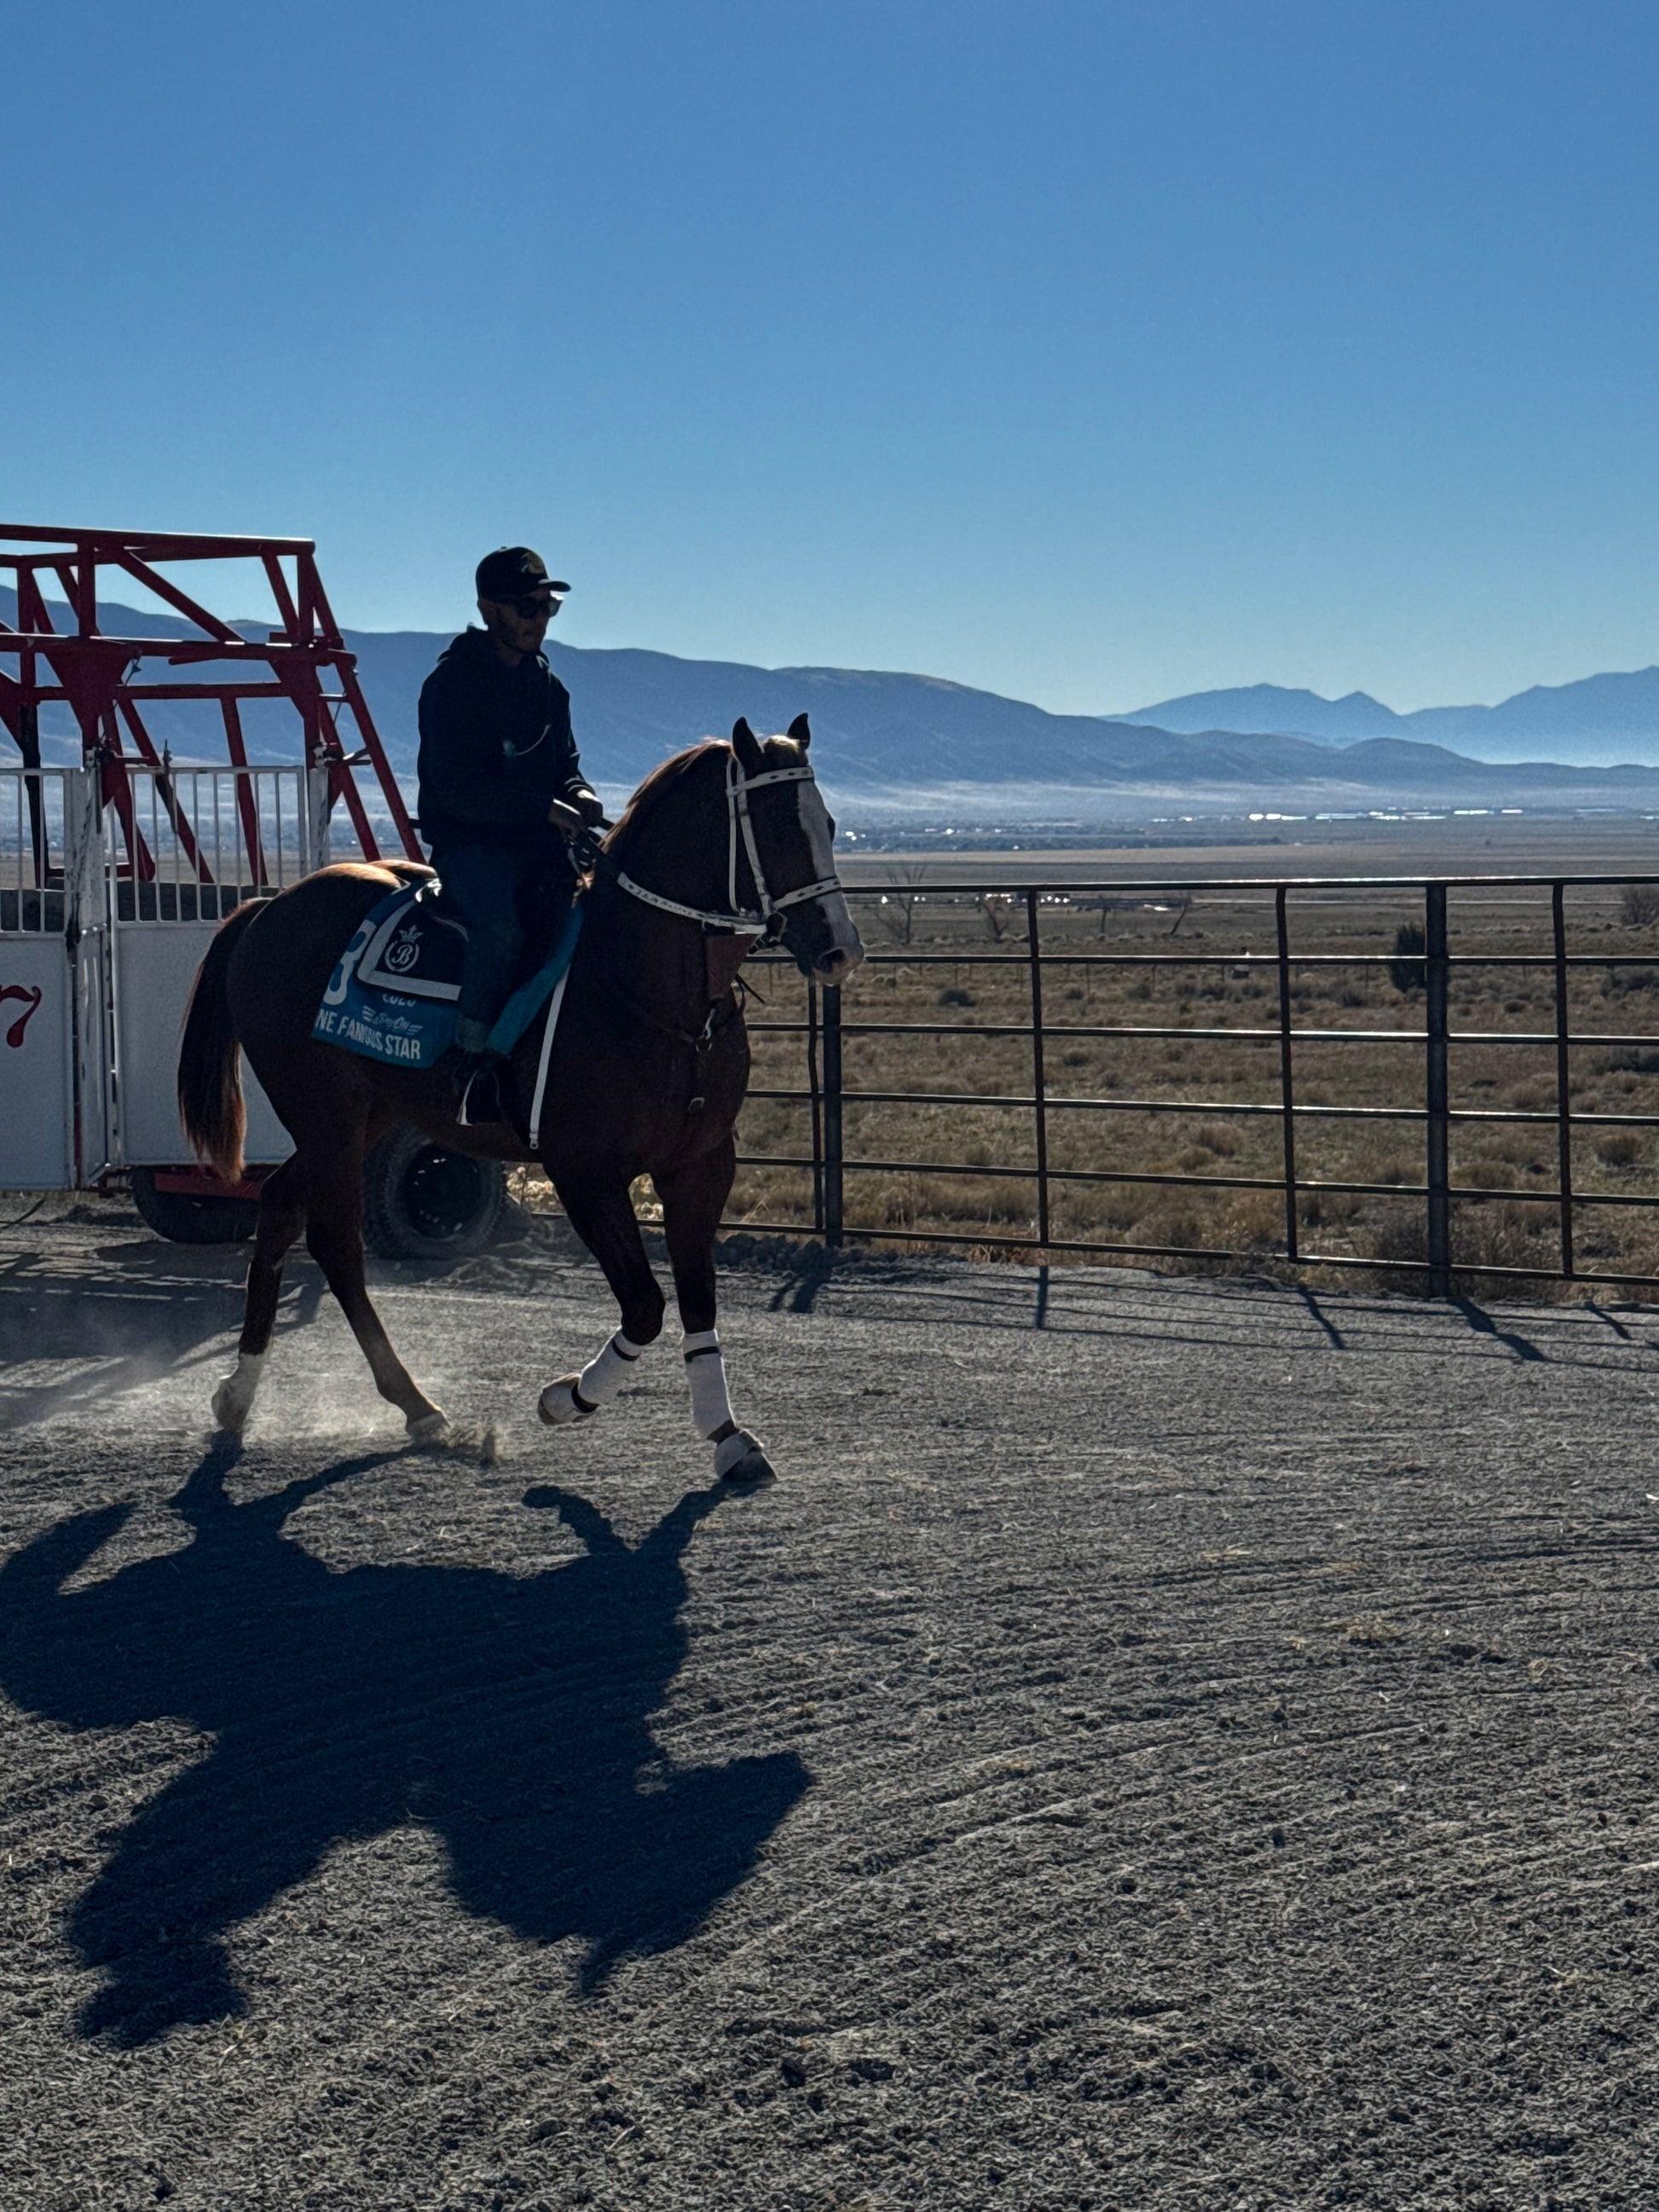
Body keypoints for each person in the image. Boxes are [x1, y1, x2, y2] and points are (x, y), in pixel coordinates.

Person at [416, 546, 604, 1121]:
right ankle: (471, 1062)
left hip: (541, 846)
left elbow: (565, 764)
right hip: (472, 848)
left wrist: (580, 794)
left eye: (548, 607)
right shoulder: (451, 684)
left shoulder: (549, 688)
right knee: (500, 931)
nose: (539, 619)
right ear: (488, 609)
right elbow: (457, 789)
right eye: (527, 607)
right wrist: (543, 809)